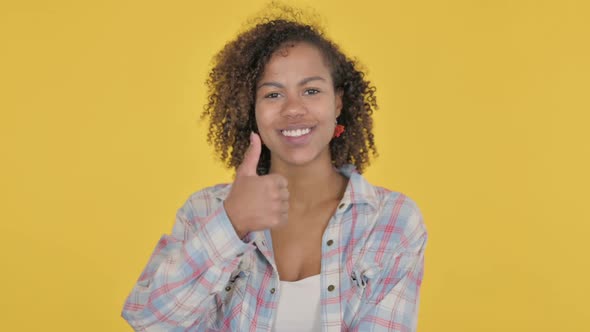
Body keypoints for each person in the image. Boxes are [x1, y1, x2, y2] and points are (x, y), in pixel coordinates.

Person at [122, 7, 427, 332]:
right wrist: (231, 224)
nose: (293, 108)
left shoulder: (392, 220)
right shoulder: (204, 212)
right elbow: (149, 321)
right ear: (251, 110)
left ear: (337, 102)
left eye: (311, 91)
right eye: (273, 94)